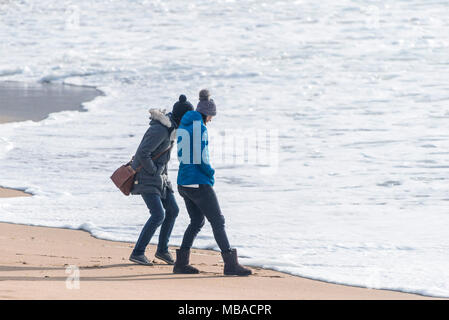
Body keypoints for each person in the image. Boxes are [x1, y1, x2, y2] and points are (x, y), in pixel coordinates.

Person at [173, 89, 252, 276]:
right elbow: (201, 157)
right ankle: (230, 264)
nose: (211, 119)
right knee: (218, 221)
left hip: (183, 182)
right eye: (211, 116)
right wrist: (210, 172)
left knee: (196, 221)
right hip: (198, 182)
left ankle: (181, 264)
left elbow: (183, 154)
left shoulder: (184, 126)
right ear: (207, 113)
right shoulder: (200, 127)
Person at [129, 95, 193, 266]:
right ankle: (137, 252)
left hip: (159, 178)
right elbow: (143, 153)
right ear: (182, 117)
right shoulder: (160, 130)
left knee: (173, 210)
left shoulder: (172, 128)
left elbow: (161, 158)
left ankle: (162, 250)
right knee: (158, 214)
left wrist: (164, 178)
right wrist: (155, 172)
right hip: (146, 177)